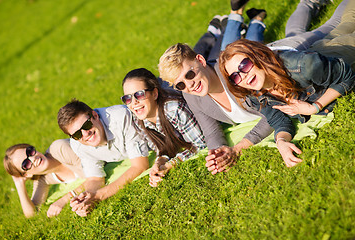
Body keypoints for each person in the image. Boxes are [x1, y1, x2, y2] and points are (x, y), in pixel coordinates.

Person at [158, 0, 347, 173]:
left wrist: (241, 146)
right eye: (181, 84)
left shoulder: (237, 76)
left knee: (332, 26)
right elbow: (211, 131)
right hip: (279, 54)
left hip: (281, 56)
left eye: (190, 74)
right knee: (295, 31)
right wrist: (219, 153)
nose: (190, 84)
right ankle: (309, 3)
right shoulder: (193, 97)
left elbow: (273, 113)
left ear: (200, 60)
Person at [218, 39, 355, 167]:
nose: (243, 76)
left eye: (244, 65)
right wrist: (281, 142)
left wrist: (314, 107)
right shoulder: (255, 92)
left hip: (343, 51)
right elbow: (278, 120)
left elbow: (347, 76)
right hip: (318, 53)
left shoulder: (303, 66)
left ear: (258, 56)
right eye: (235, 76)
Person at [57, 99, 149, 217]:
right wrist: (87, 197)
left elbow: (140, 165)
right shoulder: (77, 144)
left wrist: (100, 195)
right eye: (77, 134)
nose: (85, 134)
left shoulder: (120, 118)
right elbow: (95, 178)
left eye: (86, 125)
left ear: (95, 115)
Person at [122, 68, 206, 187]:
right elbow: (162, 148)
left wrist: (170, 164)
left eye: (139, 94)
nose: (134, 103)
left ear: (155, 94)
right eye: (127, 98)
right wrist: (159, 162)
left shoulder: (173, 109)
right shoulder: (138, 119)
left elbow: (201, 145)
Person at [3, 139, 86, 218]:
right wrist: (19, 184)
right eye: (26, 163)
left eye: (30, 152)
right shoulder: (43, 179)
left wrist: (64, 199)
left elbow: (96, 178)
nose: (33, 158)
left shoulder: (60, 149)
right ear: (26, 175)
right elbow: (32, 214)